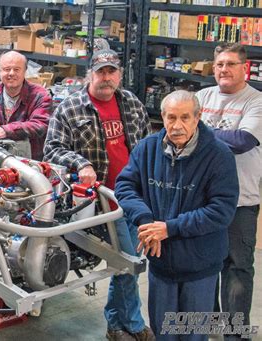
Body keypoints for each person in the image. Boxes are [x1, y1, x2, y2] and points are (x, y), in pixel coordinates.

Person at [43, 48, 154, 341]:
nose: (106, 78)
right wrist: (82, 163)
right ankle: (135, 323)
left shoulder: (131, 102)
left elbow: (146, 144)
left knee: (123, 263)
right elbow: (51, 149)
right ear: (90, 74)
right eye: (101, 72)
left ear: (119, 74)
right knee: (129, 260)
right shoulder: (70, 107)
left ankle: (116, 326)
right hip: (102, 200)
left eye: (111, 72)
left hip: (134, 195)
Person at [115, 90, 239, 340]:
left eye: (184, 118)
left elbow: (221, 210)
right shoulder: (147, 148)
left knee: (193, 333)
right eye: (171, 118)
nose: (177, 126)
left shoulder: (219, 155)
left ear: (197, 117)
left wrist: (170, 228)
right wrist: (145, 220)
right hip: (161, 265)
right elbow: (125, 185)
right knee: (163, 332)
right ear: (162, 116)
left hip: (200, 266)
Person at [195, 43, 262, 332]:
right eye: (220, 63)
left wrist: (199, 133)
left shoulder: (256, 101)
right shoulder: (201, 96)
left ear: (244, 68)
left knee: (236, 270)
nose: (224, 69)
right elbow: (178, 133)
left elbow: (242, 141)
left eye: (231, 64)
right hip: (200, 200)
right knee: (204, 266)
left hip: (240, 202)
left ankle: (235, 334)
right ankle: (209, 326)